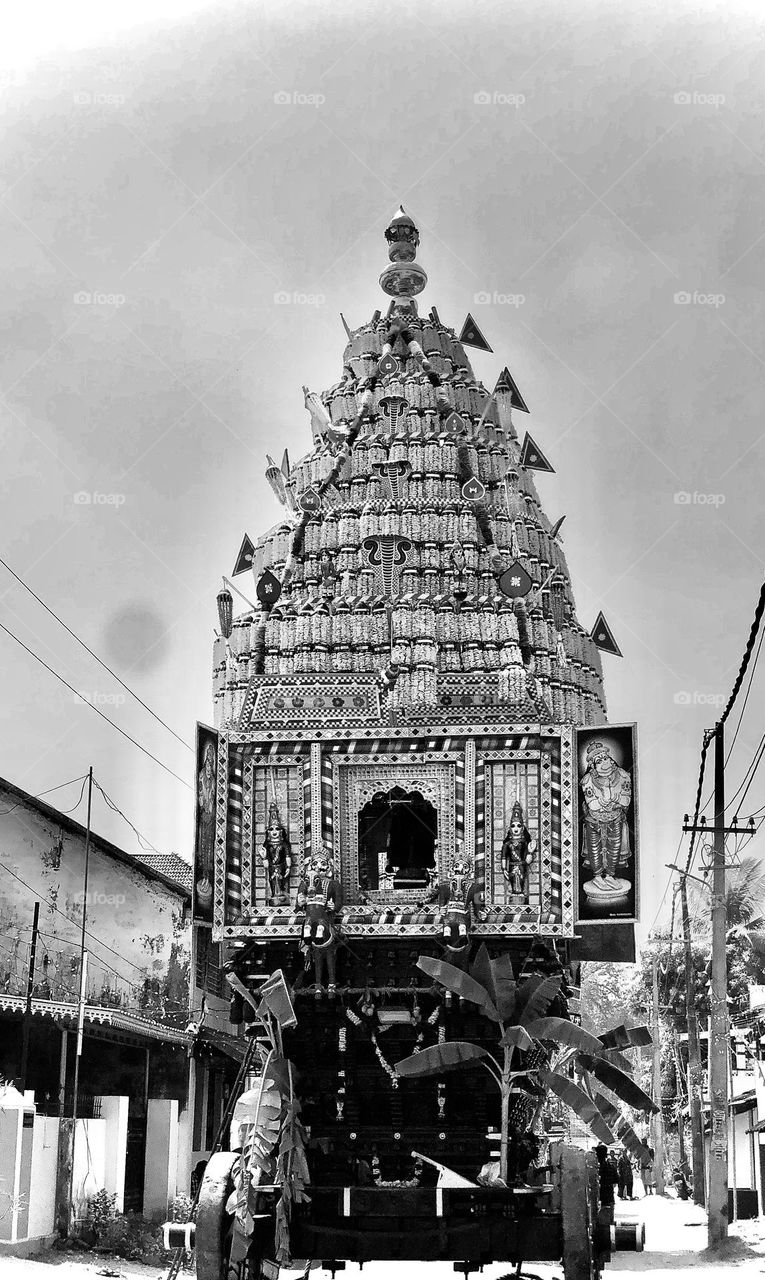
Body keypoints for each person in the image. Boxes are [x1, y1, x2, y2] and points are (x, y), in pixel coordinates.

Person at [595, 1144, 617, 1226]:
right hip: (608, 1197)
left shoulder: (593, 1168)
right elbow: (616, 1181)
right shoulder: (610, 1167)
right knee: (609, 1223)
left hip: (596, 1197)